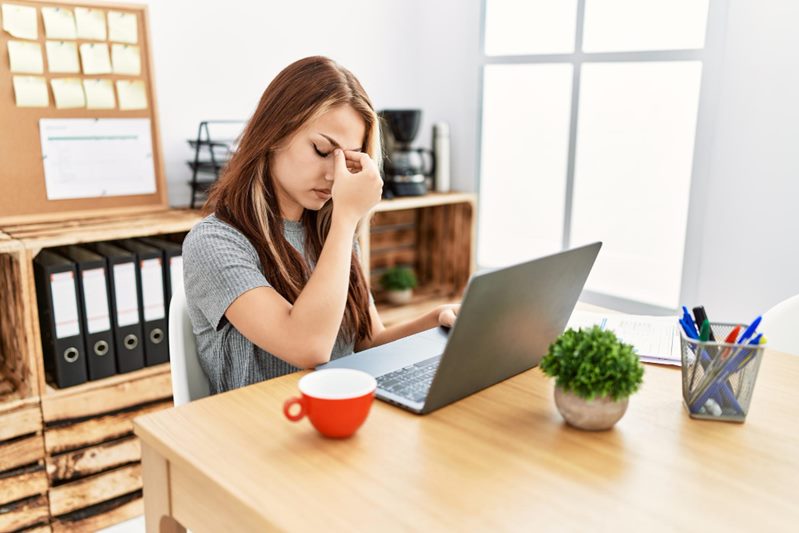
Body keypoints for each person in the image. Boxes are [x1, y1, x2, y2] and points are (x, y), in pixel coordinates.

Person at [182, 56, 459, 394]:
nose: (334, 175)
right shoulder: (214, 242)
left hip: (337, 417)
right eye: (322, 149)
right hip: (262, 431)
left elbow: (368, 343)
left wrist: (437, 320)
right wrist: (347, 218)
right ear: (273, 134)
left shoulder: (330, 231)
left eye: (349, 158)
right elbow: (308, 347)